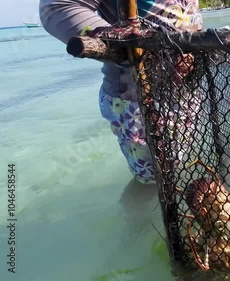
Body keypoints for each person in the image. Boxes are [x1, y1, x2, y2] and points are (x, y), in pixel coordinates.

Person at [39, 0, 203, 184]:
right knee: (151, 181)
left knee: (175, 166)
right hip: (137, 100)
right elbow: (55, 7)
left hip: (184, 91)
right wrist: (119, 41)